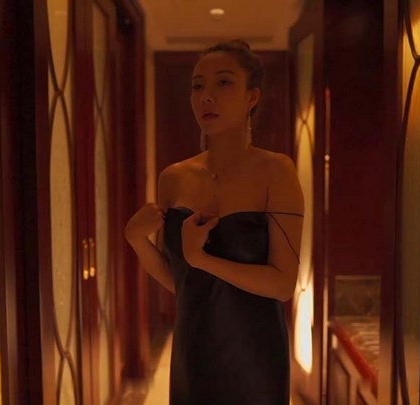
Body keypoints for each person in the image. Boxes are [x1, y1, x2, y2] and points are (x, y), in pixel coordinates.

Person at [124, 39, 304, 405]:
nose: (206, 96)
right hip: (193, 348)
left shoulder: (276, 171)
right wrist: (136, 240)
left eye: (223, 82)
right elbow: (181, 282)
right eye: (197, 85)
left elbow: (283, 284)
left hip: (254, 353)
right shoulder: (173, 177)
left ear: (252, 97)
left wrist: (202, 259)